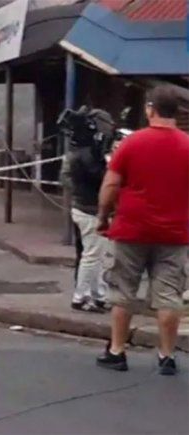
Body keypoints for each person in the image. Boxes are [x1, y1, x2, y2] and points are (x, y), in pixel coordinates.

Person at [96, 86, 189, 376]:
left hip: (132, 229)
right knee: (169, 295)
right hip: (174, 233)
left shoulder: (132, 143)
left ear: (150, 109)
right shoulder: (187, 145)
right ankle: (166, 355)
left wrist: (102, 217)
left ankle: (117, 351)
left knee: (123, 291)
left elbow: (110, 185)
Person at [60, 109, 113, 313]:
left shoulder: (78, 152)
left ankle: (98, 294)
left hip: (84, 207)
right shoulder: (87, 155)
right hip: (89, 209)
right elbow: (100, 177)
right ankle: (80, 296)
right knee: (91, 256)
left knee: (97, 255)